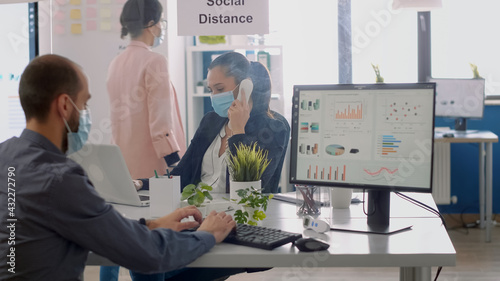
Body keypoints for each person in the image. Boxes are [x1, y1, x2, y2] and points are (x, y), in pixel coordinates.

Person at [0, 54, 235, 280]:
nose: (85, 114)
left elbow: (91, 225)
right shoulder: (61, 179)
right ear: (64, 105)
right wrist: (208, 235)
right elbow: (149, 255)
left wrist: (151, 224)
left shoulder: (5, 155)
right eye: (84, 104)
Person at [171, 51, 290, 193]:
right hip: (196, 208)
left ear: (246, 86)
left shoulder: (273, 128)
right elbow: (181, 173)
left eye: (220, 88)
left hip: (236, 213)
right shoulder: (210, 121)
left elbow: (248, 188)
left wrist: (238, 131)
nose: (214, 96)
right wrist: (141, 183)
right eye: (211, 90)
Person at [107, 0, 186, 181]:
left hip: (124, 164)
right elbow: (161, 119)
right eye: (161, 21)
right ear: (151, 24)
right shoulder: (155, 61)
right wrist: (175, 163)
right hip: (155, 167)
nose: (161, 27)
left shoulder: (115, 64)